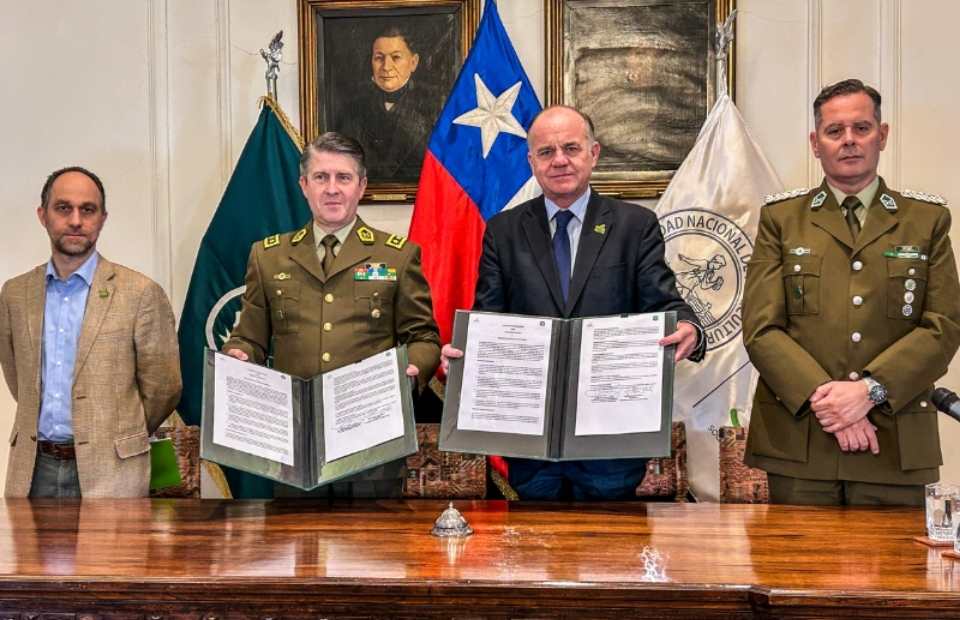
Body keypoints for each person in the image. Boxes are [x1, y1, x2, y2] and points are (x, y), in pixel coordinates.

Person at [442, 105, 705, 500]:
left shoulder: (635, 225)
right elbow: (489, 319)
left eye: (571, 148)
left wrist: (688, 326)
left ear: (593, 154)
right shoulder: (503, 231)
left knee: (611, 539)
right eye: (546, 152)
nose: (560, 160)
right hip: (530, 442)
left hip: (611, 441)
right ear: (531, 162)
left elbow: (663, 302)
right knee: (534, 537)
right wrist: (467, 355)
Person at [742, 79, 960, 505]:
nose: (849, 140)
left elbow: (943, 326)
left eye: (861, 128)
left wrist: (868, 391)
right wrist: (832, 404)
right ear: (815, 143)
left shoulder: (926, 220)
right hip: (801, 443)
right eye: (834, 130)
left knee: (896, 552)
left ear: (882, 135)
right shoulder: (781, 219)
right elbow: (761, 328)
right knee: (795, 552)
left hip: (894, 443)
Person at [223, 132, 441, 498]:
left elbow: (424, 337)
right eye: (321, 177)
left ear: (362, 186)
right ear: (304, 185)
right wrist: (238, 355)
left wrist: (412, 369)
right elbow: (249, 337)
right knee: (296, 534)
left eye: (344, 177)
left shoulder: (397, 256)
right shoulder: (268, 256)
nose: (332, 189)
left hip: (373, 440)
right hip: (295, 442)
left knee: (374, 535)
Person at [0, 167, 182, 498]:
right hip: (33, 471)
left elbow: (164, 387)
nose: (75, 220)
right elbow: (19, 379)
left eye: (88, 210)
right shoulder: (14, 294)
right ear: (42, 215)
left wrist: (121, 431)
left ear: (102, 218)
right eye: (63, 208)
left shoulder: (140, 293)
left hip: (113, 471)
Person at [334, 26, 441, 180]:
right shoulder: (351, 110)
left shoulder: (436, 107)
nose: (386, 67)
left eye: (396, 57)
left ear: (413, 62)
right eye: (379, 58)